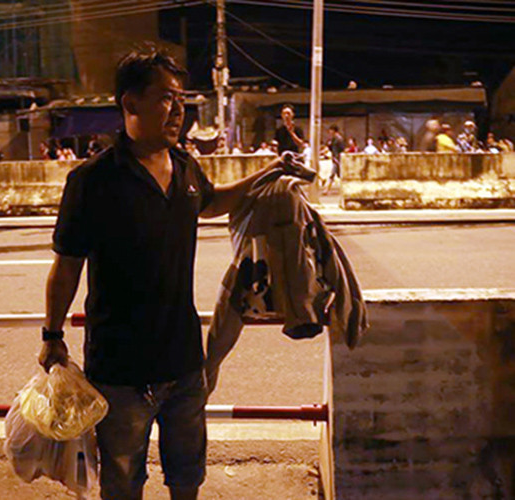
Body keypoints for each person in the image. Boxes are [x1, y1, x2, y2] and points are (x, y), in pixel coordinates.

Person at [39, 45, 284, 500]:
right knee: (122, 482)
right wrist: (52, 336)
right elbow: (67, 265)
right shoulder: (92, 181)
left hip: (185, 362)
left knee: (187, 476)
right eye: (166, 97)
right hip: (120, 371)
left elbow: (211, 202)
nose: (178, 109)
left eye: (181, 98)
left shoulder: (186, 167)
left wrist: (268, 174)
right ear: (130, 103)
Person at [323, 124, 345, 194]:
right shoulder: (334, 139)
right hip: (335, 158)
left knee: (333, 174)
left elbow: (341, 149)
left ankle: (326, 190)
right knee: (339, 175)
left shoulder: (339, 139)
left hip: (337, 159)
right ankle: (327, 189)